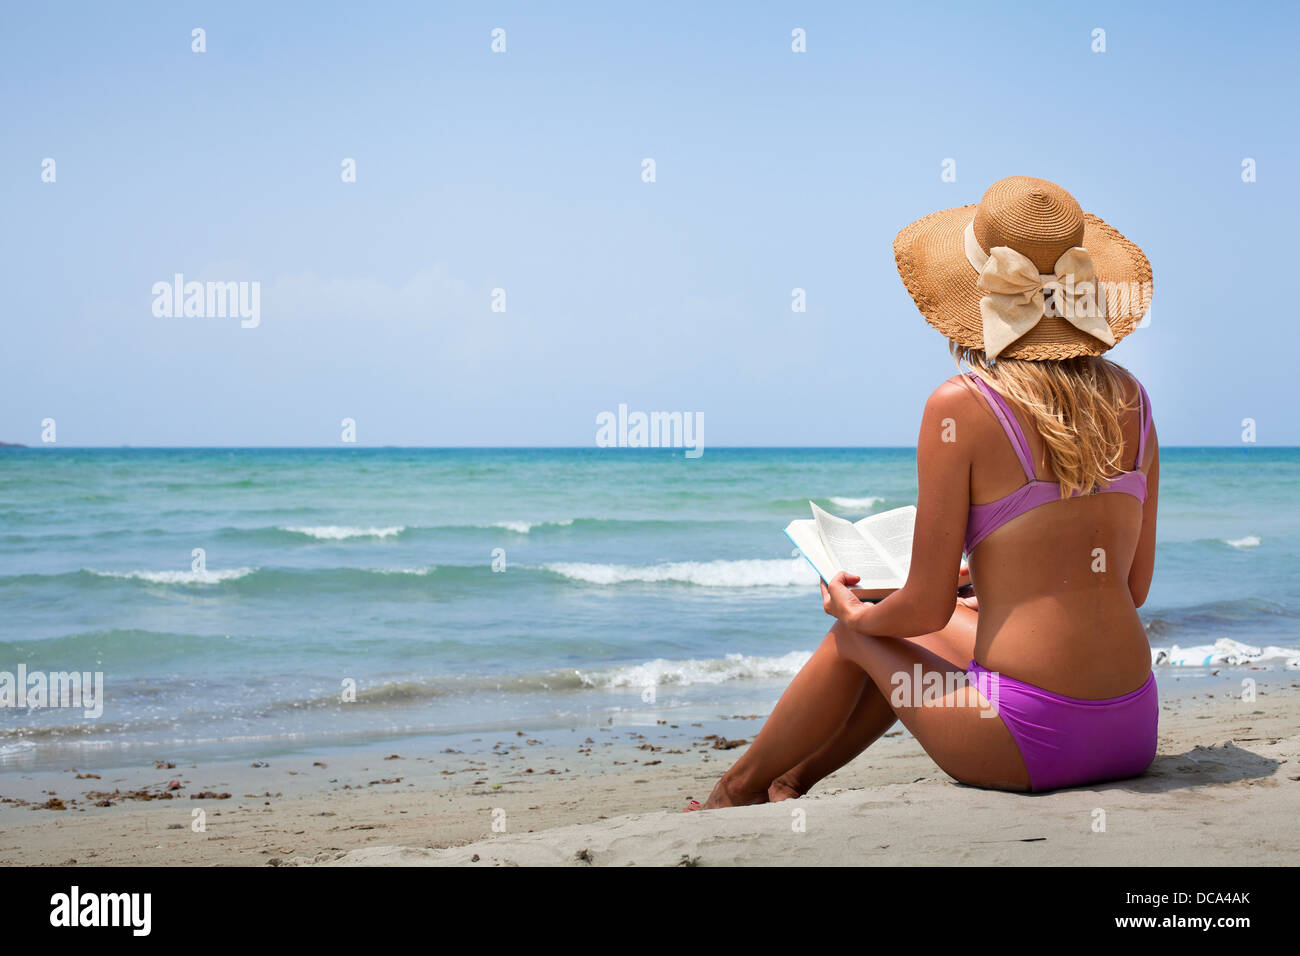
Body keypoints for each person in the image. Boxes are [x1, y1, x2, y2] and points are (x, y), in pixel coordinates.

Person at [691, 176, 1159, 808]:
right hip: (1133, 727)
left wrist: (856, 613)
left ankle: (734, 790)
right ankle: (789, 782)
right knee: (959, 616)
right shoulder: (1133, 400)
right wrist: (992, 577)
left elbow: (921, 611)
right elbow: (1129, 587)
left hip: (1036, 741)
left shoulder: (962, 406)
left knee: (864, 637)